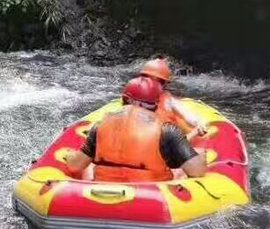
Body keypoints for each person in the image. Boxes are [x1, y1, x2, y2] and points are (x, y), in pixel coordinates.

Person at [66, 77, 207, 182]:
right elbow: (197, 171)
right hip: (150, 192)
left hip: (104, 186)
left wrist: (70, 154)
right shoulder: (167, 130)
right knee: (193, 159)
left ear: (124, 100)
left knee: (89, 164)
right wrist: (202, 156)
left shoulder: (100, 126)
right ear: (156, 103)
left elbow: (75, 165)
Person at [139, 56, 208, 139]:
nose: (153, 84)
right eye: (149, 80)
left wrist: (198, 124)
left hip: (166, 139)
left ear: (164, 84)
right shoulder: (133, 98)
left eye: (158, 81)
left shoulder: (167, 99)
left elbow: (185, 113)